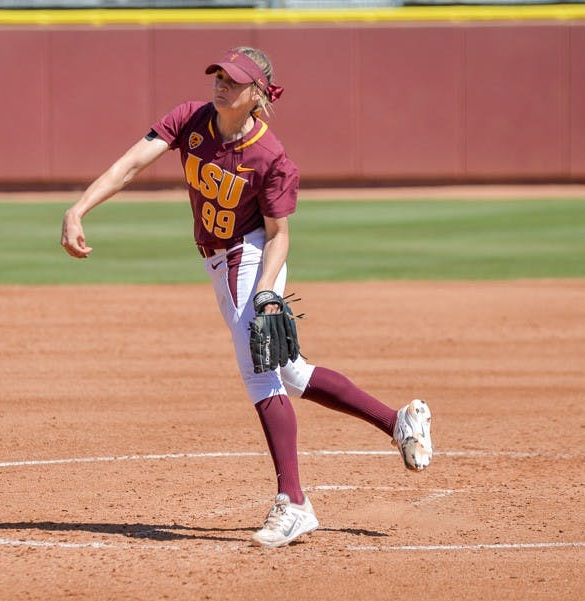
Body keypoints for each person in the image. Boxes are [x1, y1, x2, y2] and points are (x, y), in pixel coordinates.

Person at [60, 47, 433, 548]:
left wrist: (263, 296)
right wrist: (78, 209)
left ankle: (295, 503)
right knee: (291, 373)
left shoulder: (271, 156)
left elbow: (280, 234)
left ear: (257, 94)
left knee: (259, 372)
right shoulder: (190, 118)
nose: (221, 85)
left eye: (234, 81)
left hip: (251, 253)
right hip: (216, 258)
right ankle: (397, 422)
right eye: (219, 75)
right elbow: (131, 164)